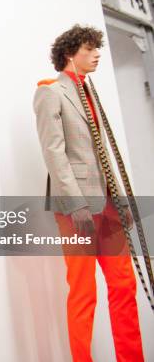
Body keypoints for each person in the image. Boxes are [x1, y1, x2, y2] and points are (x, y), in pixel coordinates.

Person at [33, 24, 144, 362]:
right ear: (70, 54)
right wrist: (76, 203)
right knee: (83, 292)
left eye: (98, 48)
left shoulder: (90, 92)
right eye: (89, 48)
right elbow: (54, 152)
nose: (97, 54)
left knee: (124, 286)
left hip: (110, 206)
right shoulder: (51, 92)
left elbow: (101, 152)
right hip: (76, 208)